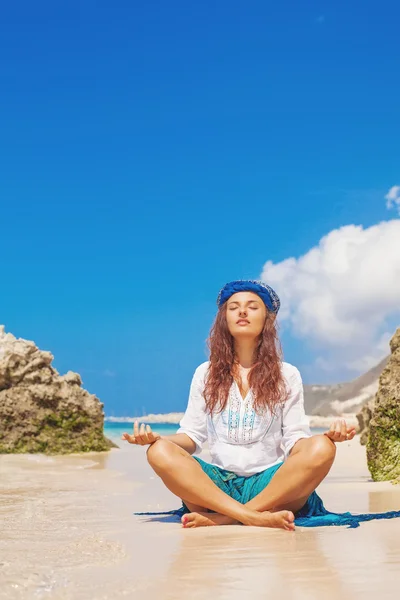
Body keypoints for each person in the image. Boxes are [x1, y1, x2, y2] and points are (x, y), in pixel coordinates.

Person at [122, 280, 399, 530]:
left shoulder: (286, 374)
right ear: (224, 318)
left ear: (267, 318)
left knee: (322, 448)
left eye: (252, 306)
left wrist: (327, 439)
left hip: (271, 486)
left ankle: (226, 517)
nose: (242, 312)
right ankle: (254, 516)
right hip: (216, 486)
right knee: (158, 452)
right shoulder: (204, 373)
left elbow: (295, 440)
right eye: (234, 307)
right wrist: (157, 439)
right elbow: (192, 437)